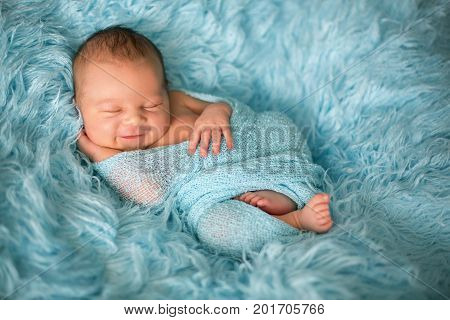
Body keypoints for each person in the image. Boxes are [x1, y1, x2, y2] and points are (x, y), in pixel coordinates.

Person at [73, 26, 333, 255]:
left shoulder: (177, 98)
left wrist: (216, 112)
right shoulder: (113, 154)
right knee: (218, 230)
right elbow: (150, 195)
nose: (134, 120)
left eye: (151, 105)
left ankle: (283, 193)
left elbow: (225, 106)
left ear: (165, 88)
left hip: (256, 154)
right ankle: (296, 219)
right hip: (212, 195)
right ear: (80, 108)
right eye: (112, 111)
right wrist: (95, 152)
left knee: (278, 124)